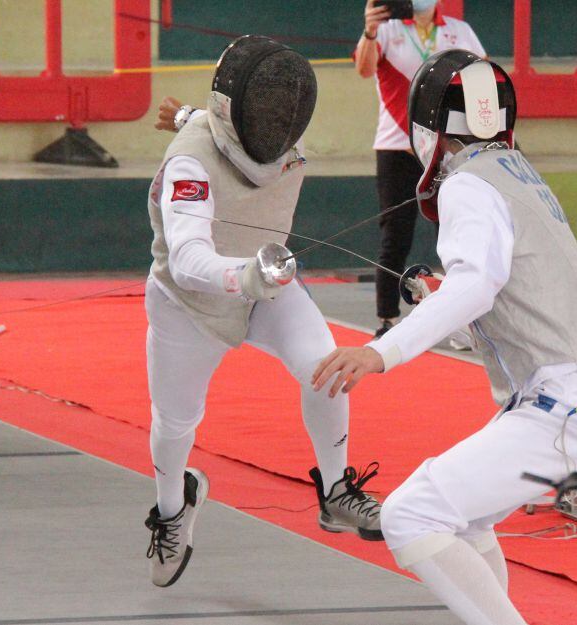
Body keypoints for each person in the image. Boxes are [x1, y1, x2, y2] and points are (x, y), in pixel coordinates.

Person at [312, 50, 577, 625]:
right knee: (466, 518)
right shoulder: (516, 171)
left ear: (425, 127)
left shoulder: (467, 186)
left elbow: (479, 284)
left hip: (567, 405)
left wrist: (378, 350)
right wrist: (438, 302)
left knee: (409, 515)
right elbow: (500, 299)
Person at [143, 35, 382, 589]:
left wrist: (182, 112)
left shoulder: (243, 133)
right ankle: (173, 508)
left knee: (328, 367)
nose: (279, 122)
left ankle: (336, 490)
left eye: (286, 111)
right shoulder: (189, 163)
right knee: (176, 423)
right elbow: (186, 259)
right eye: (268, 108)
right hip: (190, 304)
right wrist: (243, 274)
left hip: (263, 288)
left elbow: (214, 125)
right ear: (238, 107)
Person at [355, 0, 485, 338]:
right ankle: (387, 320)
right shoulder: (386, 29)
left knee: (457, 231)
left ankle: (463, 320)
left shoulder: (460, 31)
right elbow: (365, 70)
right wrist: (369, 31)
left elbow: (483, 76)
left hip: (445, 148)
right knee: (395, 235)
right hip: (396, 146)